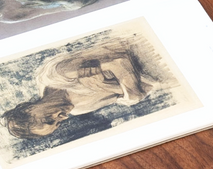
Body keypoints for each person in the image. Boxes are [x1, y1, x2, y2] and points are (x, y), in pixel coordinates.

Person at [3, 40, 153, 142]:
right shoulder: (78, 109)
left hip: (146, 48)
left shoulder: (56, 75)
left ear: (30, 109)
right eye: (57, 123)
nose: (61, 117)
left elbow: (120, 61)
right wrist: (104, 86)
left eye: (49, 118)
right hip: (157, 75)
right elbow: (144, 90)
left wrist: (129, 92)